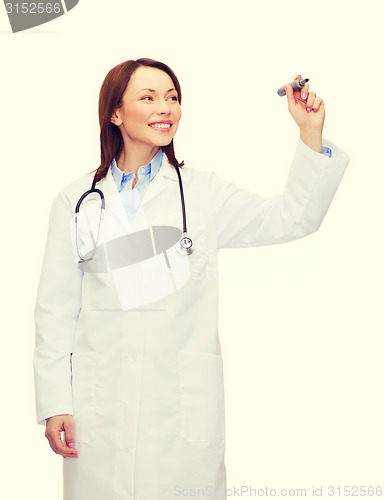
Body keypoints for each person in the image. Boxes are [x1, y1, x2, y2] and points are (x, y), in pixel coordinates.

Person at [33, 58, 350, 500]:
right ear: (116, 113)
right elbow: (56, 309)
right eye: (148, 97)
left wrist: (309, 133)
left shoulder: (202, 194)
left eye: (172, 97)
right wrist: (55, 403)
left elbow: (292, 219)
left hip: (181, 409)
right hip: (99, 410)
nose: (166, 107)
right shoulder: (76, 200)